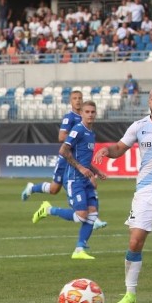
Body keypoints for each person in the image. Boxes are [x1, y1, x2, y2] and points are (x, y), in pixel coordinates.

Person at [93, 87, 152, 303]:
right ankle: (130, 292)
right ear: (148, 102)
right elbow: (119, 147)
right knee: (135, 242)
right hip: (145, 192)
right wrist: (107, 151)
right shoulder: (139, 126)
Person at [21, 90, 108, 231]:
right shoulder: (71, 118)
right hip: (65, 160)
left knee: (58, 189)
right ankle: (88, 216)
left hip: (75, 160)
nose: (78, 101)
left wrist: (95, 170)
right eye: (75, 98)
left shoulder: (85, 118)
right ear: (70, 101)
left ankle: (91, 217)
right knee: (63, 188)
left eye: (80, 98)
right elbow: (61, 137)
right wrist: (74, 137)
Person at [32, 101, 106, 260]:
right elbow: (63, 150)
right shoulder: (78, 129)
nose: (90, 114)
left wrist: (96, 171)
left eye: (93, 112)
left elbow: (84, 159)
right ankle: (48, 210)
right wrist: (80, 168)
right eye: (87, 112)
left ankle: (80, 248)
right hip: (74, 179)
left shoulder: (91, 133)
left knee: (93, 213)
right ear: (82, 114)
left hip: (86, 178)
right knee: (81, 215)